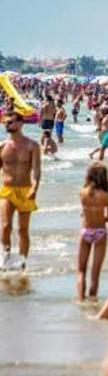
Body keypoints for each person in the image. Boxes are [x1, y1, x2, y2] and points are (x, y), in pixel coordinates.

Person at [0, 112, 41, 270]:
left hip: (25, 190)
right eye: (5, 122)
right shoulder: (3, 146)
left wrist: (34, 187)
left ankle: (23, 262)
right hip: (7, 190)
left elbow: (37, 170)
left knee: (23, 230)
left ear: (20, 124)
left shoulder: (32, 145)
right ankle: (6, 258)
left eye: (10, 122)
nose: (6, 124)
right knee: (5, 226)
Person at [77, 162, 108, 302]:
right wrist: (101, 216)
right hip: (100, 232)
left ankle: (80, 299)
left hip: (86, 231)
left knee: (81, 271)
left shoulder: (82, 193)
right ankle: (92, 300)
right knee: (95, 273)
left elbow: (83, 213)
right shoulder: (105, 195)